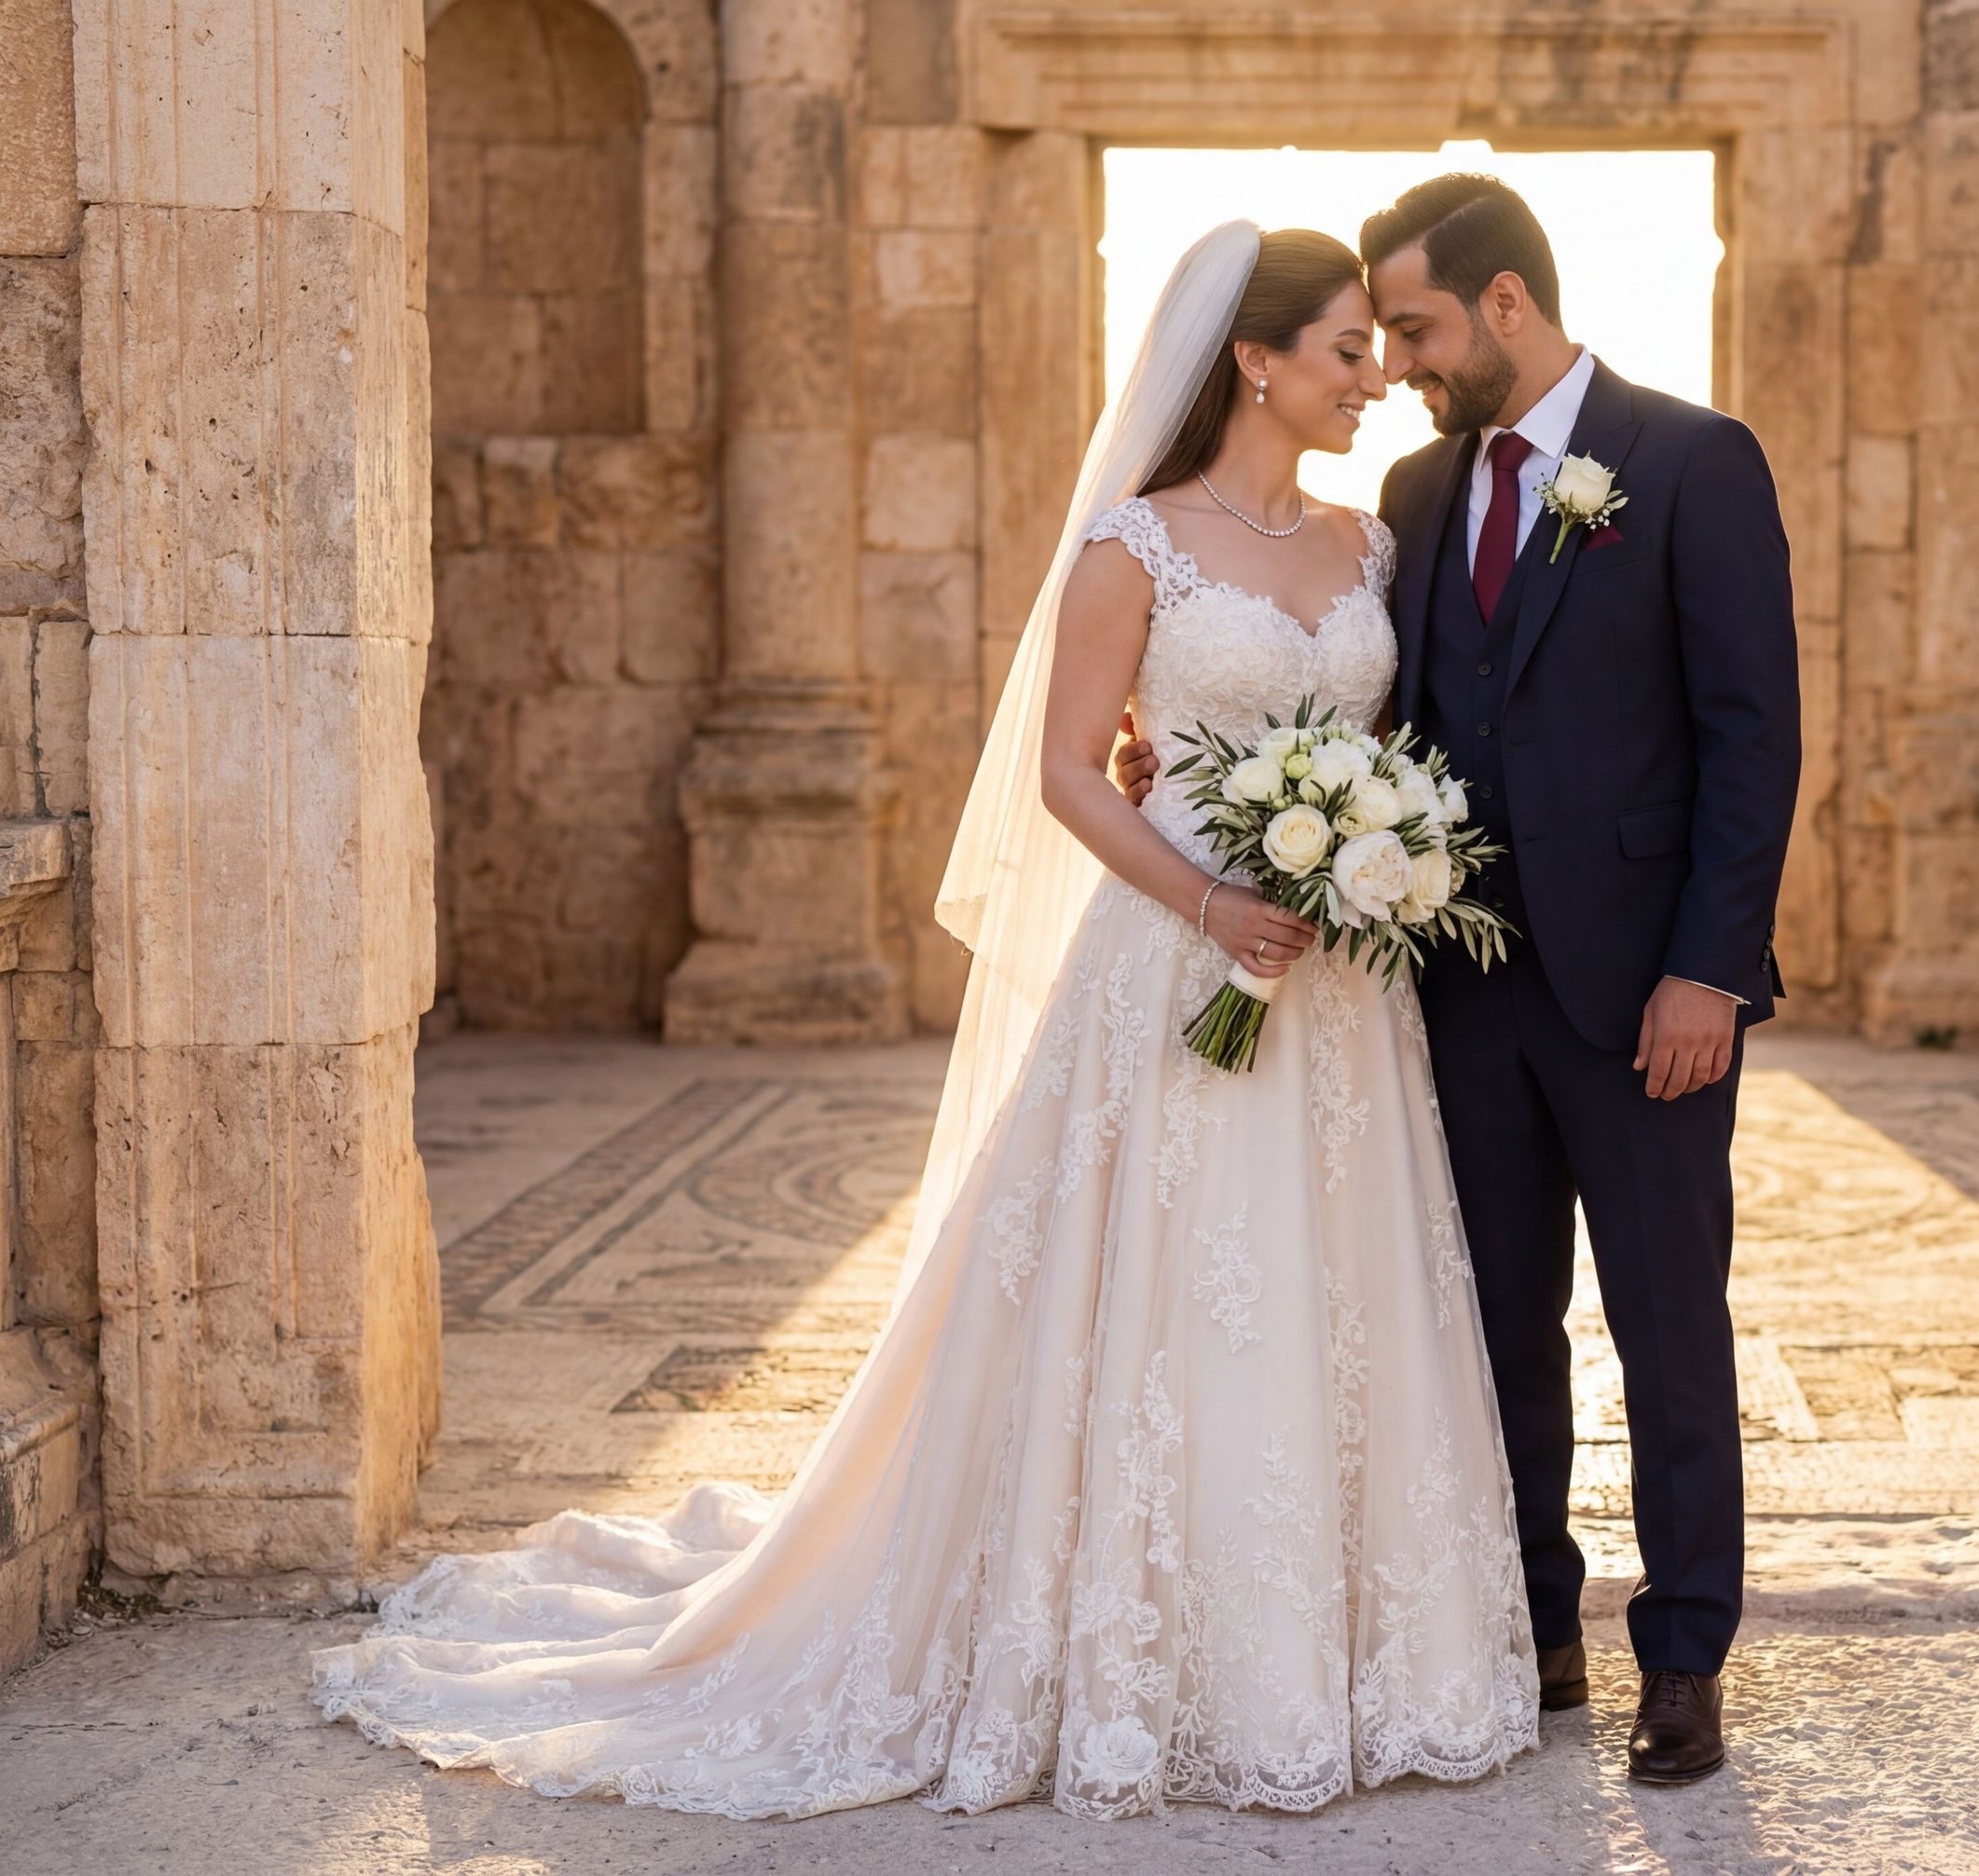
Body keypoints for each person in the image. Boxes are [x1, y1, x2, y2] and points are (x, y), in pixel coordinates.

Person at [310, 224, 1539, 1821]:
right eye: (1346, 351)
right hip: (1178, 970)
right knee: (1168, 1298)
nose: (1375, 378)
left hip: (1341, 998)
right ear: (1255, 359)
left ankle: (1354, 1655)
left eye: (1380, 351)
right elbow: (1059, 775)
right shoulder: (1134, 545)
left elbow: (1389, 744)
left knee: (1336, 1296)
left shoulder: (1374, 551)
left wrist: (1370, 859)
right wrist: (1213, 899)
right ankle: (1140, 1658)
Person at [1119, 175, 1799, 1785]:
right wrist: (1194, 767)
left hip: (1648, 998)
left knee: (1668, 1327)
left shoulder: (1694, 461)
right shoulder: (1410, 499)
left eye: (1415, 329)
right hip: (1451, 990)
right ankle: (1536, 1627)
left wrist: (1711, 967)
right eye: (1374, 340)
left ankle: (1687, 1655)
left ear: (1505, 305)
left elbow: (1751, 738)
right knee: (1491, 1327)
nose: (1399, 369)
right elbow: (1355, 709)